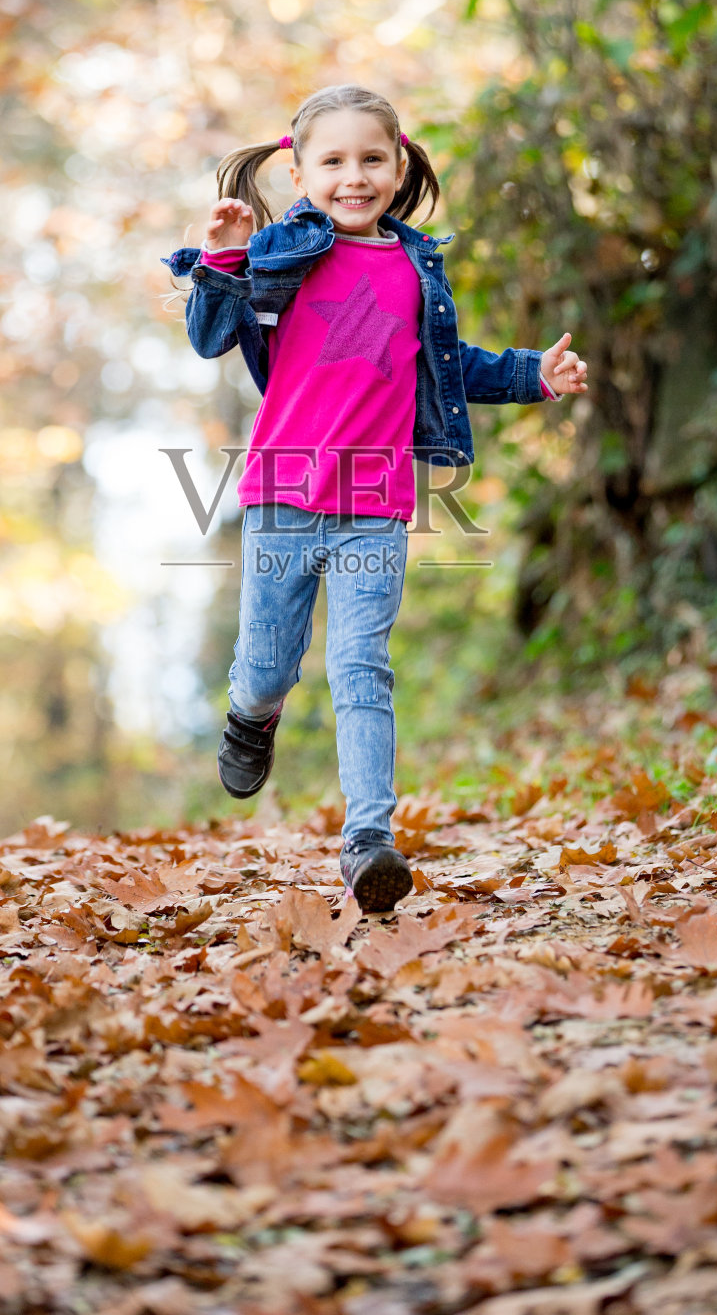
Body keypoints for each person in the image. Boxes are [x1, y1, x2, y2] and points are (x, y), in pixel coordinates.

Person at [161, 85, 587, 913]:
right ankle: (251, 716)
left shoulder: (415, 267)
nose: (352, 177)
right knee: (269, 666)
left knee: (362, 667)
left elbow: (449, 365)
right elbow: (212, 337)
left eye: (369, 159)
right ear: (299, 169)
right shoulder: (282, 252)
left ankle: (368, 841)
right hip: (284, 494)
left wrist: (531, 373)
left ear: (398, 164)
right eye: (332, 162)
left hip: (376, 502)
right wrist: (221, 260)